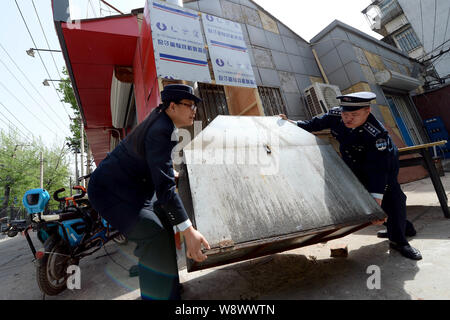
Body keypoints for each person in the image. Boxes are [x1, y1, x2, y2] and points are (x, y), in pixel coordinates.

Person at [87, 84, 210, 300]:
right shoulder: (161, 129)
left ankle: (170, 288)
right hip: (110, 192)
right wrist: (189, 231)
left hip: (134, 188)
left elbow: (151, 158)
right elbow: (165, 190)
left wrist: (168, 170)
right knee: (153, 235)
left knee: (164, 222)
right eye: (189, 105)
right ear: (172, 106)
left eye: (194, 106)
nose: (194, 111)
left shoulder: (163, 120)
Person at [279, 91, 422, 260]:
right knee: (365, 203)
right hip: (355, 165)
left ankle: (399, 241)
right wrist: (290, 123)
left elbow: (380, 170)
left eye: (354, 115)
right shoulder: (336, 115)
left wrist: (377, 199)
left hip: (384, 167)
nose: (348, 119)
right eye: (345, 114)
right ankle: (402, 226)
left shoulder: (377, 135)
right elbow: (313, 124)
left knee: (392, 199)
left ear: (367, 111)